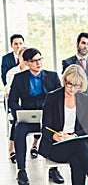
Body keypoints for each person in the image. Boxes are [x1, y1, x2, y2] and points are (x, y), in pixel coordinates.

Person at [39, 64, 88, 185]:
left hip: (74, 144)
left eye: (76, 85)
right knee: (81, 146)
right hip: (55, 146)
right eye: (69, 84)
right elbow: (45, 127)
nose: (72, 88)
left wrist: (72, 135)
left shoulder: (83, 98)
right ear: (64, 81)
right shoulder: (52, 97)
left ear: (81, 85)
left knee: (78, 159)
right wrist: (55, 136)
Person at [8, 48, 64, 185]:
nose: (38, 63)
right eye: (34, 61)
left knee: (56, 129)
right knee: (19, 130)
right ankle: (21, 171)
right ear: (26, 63)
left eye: (40, 59)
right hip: (28, 118)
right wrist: (20, 113)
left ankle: (54, 168)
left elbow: (60, 99)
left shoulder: (52, 76)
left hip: (48, 118)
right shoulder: (19, 78)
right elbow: (12, 101)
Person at [4, 46, 29, 164]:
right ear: (19, 57)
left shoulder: (34, 71)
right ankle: (11, 149)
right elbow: (10, 92)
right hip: (17, 104)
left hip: (30, 105)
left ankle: (35, 145)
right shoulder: (12, 73)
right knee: (17, 120)